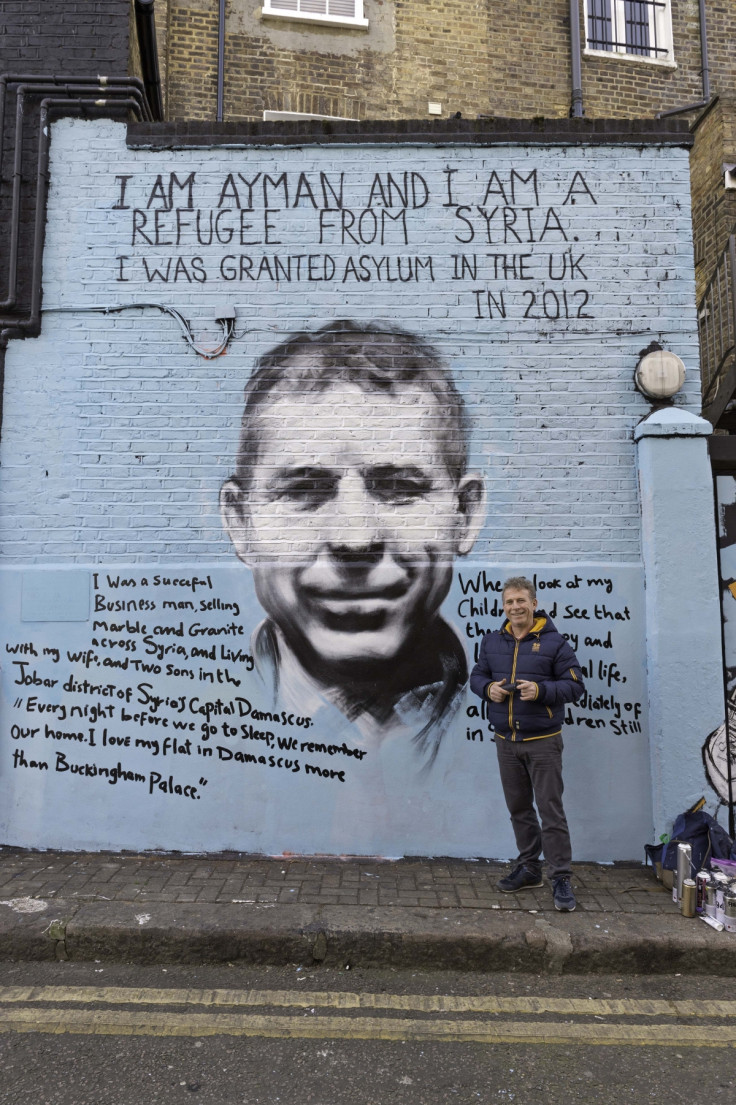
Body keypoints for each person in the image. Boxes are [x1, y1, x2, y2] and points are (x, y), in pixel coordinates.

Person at [221, 320, 485, 767]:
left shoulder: (522, 708)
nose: (355, 537)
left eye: (399, 487)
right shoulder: (176, 711)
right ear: (242, 524)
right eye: (304, 490)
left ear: (465, 516)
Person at [470, 576, 584, 911]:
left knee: (550, 811)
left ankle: (560, 877)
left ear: (534, 604)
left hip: (543, 742)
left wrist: (542, 691)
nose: (515, 607)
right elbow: (477, 675)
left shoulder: (555, 644)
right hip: (506, 741)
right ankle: (529, 868)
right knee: (519, 809)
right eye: (509, 602)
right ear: (503, 607)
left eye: (521, 601)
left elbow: (576, 686)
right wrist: (486, 688)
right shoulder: (492, 642)